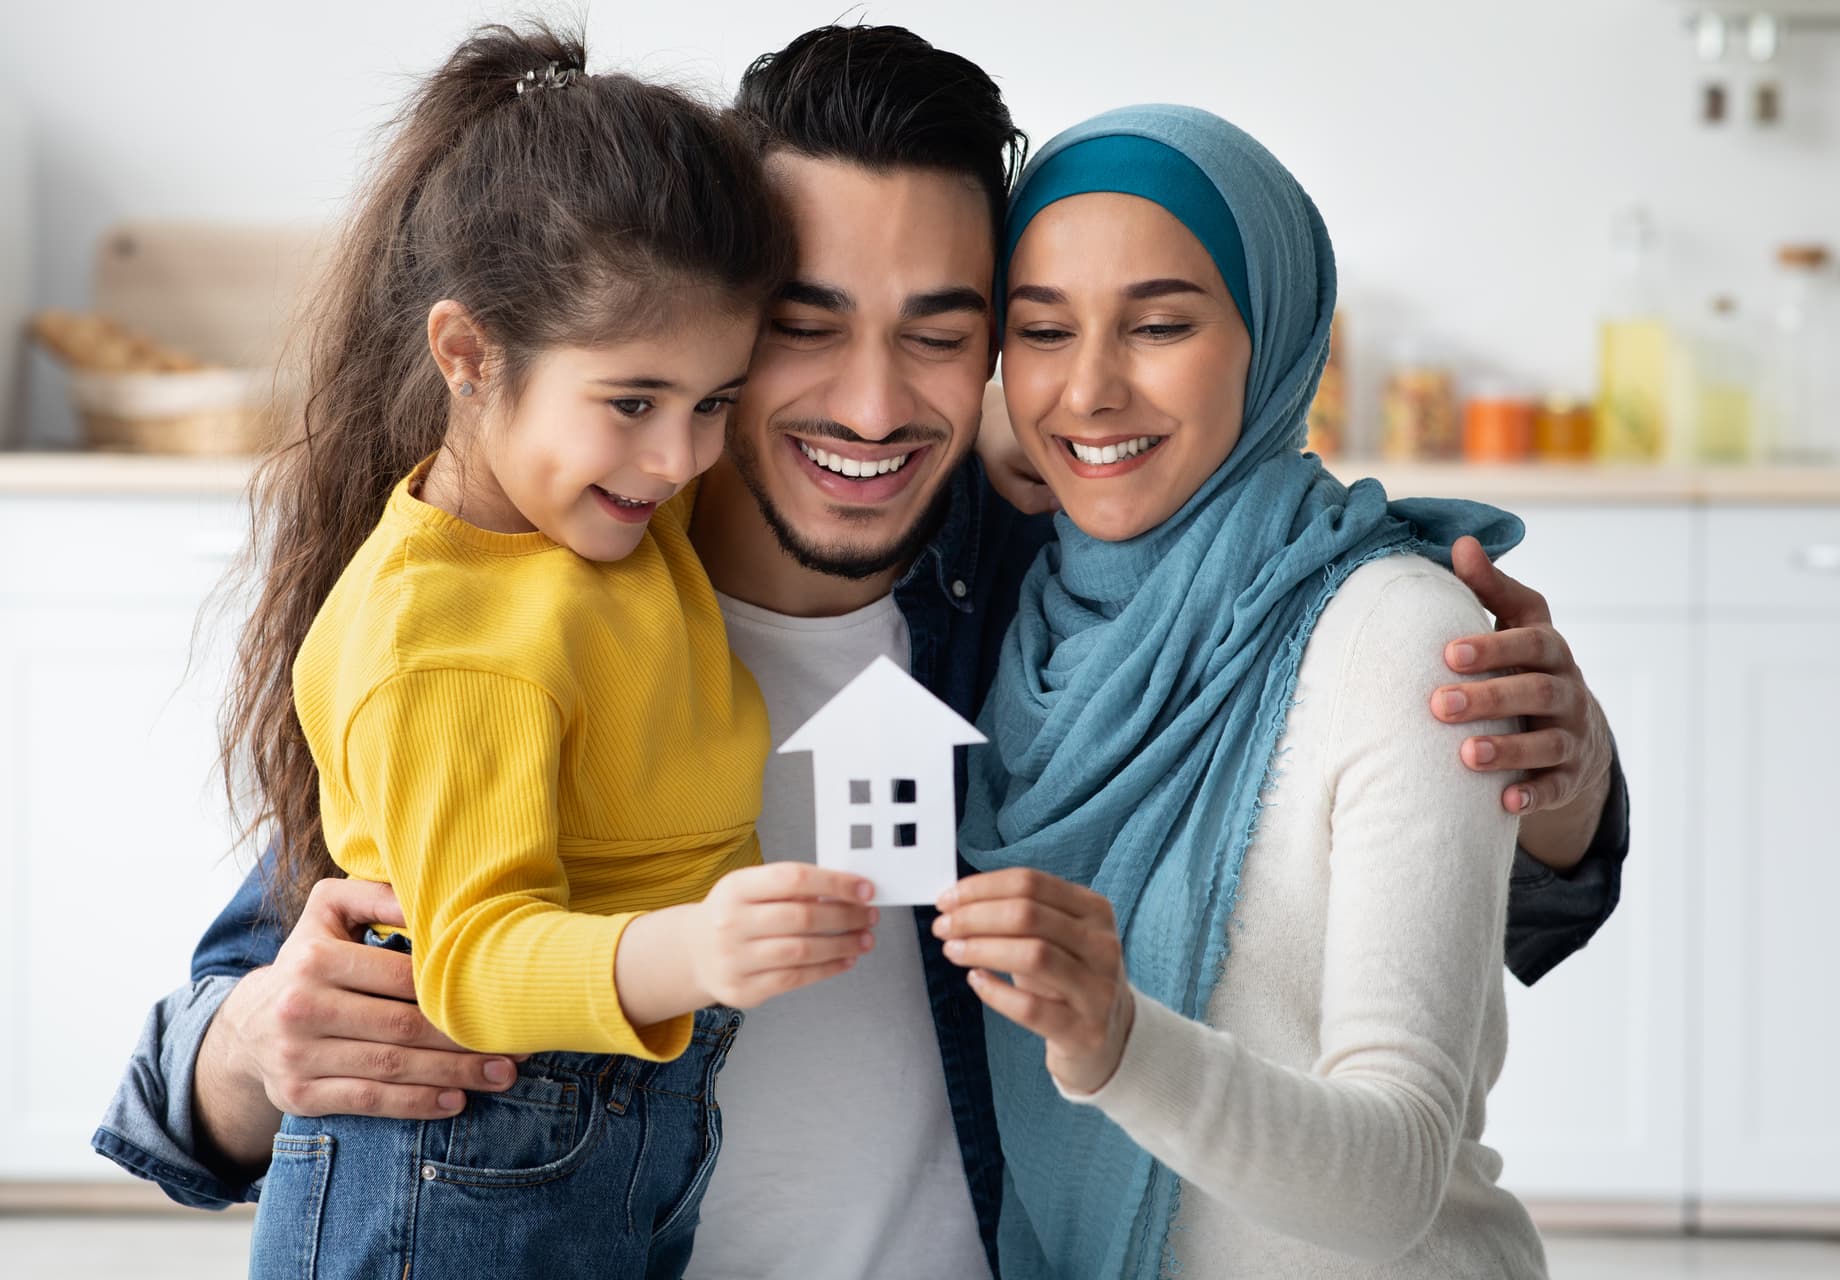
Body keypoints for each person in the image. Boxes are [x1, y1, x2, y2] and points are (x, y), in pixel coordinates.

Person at [96, 26, 1629, 1280]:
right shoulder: (540, 611)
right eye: (804, 323)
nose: (876, 403)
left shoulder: (1044, 605)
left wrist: (1563, 791)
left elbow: (1351, 891)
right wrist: (251, 1049)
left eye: (944, 332)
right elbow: (206, 1065)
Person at [223, 23, 877, 1279]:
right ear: (468, 357)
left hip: (588, 1136)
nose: (683, 459)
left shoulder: (594, 510)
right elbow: (469, 960)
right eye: (635, 401)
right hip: (465, 1165)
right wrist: (694, 950)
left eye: (713, 403)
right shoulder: (446, 645)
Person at [943, 104, 1551, 1276]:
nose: (1092, 389)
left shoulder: (1396, 633)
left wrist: (1121, 1040)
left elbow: (1400, 1172)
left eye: (1161, 324)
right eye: (1044, 332)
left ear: (1271, 331)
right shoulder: (1025, 617)